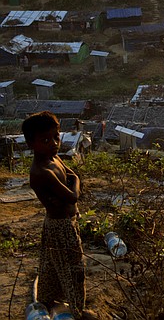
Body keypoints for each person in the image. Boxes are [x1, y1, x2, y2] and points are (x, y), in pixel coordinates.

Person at [24, 111, 98, 320]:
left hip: (63, 222)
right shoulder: (41, 172)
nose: (54, 143)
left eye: (56, 137)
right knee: (73, 268)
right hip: (61, 226)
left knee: (51, 266)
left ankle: (46, 300)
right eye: (45, 140)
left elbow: (73, 177)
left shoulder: (53, 158)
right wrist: (75, 183)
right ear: (31, 144)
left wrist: (74, 181)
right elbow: (73, 195)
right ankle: (77, 309)